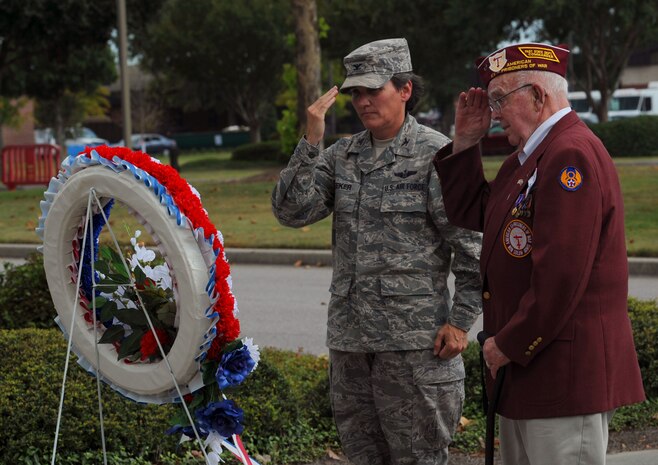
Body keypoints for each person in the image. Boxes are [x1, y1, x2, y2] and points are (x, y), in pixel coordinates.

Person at [433, 42, 646, 465]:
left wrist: (506, 345)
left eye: (499, 99)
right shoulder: (529, 158)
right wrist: (465, 142)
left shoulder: (569, 155)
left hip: (561, 379)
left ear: (538, 95)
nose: (492, 113)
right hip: (532, 374)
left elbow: (561, 279)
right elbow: (476, 211)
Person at [271, 38, 482, 465]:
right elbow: (290, 211)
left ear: (404, 89)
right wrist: (310, 141)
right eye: (355, 93)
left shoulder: (436, 154)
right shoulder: (342, 155)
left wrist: (460, 324)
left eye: (373, 90)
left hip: (416, 353)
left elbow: (473, 249)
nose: (363, 101)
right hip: (352, 349)